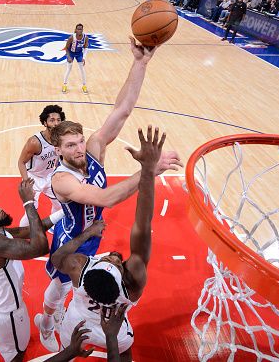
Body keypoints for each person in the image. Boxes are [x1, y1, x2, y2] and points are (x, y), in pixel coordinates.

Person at [34, 39, 182, 353]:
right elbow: (106, 199)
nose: (78, 150)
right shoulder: (62, 179)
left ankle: (53, 316)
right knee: (59, 287)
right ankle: (46, 322)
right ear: (58, 151)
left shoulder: (94, 149)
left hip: (93, 234)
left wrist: (140, 64)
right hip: (72, 237)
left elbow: (122, 110)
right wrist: (148, 171)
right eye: (70, 147)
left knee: (77, 287)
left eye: (79, 142)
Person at [51, 125, 165, 361]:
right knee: (125, 352)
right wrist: (147, 171)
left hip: (76, 324)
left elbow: (56, 259)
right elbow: (143, 224)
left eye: (108, 259)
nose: (112, 254)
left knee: (66, 351)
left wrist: (84, 235)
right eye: (116, 260)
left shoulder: (79, 268)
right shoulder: (132, 283)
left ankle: (68, 352)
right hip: (114, 333)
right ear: (123, 274)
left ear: (90, 267)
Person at [0, 179, 64, 362]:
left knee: (5, 339)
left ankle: (0, 338)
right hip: (6, 312)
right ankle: (7, 343)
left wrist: (63, 212)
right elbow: (40, 246)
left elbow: (30, 230)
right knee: (18, 354)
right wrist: (28, 203)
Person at [17, 105, 65, 229]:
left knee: (61, 204)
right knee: (31, 211)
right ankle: (20, 235)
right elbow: (21, 162)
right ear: (45, 122)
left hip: (49, 176)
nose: (56, 123)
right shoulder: (35, 142)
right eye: (52, 120)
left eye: (59, 120)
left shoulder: (60, 139)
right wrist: (27, 183)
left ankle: (53, 226)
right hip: (33, 178)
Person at [45, 306, 126, 361]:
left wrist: (70, 352)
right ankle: (45, 323)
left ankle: (45, 323)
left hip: (75, 318)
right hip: (77, 317)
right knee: (125, 349)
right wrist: (111, 336)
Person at [62, 23, 89, 94]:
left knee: (82, 69)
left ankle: (84, 86)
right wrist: (68, 56)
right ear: (76, 30)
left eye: (81, 29)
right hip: (71, 53)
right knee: (69, 69)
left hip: (79, 53)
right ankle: (64, 85)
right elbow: (66, 48)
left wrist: (84, 57)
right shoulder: (71, 38)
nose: (80, 30)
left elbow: (86, 48)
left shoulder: (85, 37)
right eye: (78, 29)